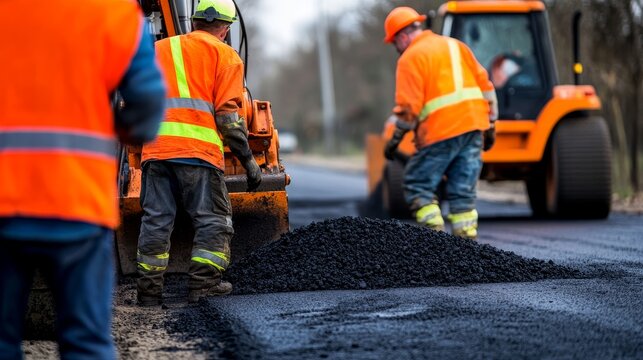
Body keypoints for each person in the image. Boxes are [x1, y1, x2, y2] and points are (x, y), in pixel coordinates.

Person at [0, 0, 165, 358]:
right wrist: (124, 130)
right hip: (77, 200)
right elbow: (149, 103)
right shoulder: (112, 13)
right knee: (86, 341)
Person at [136, 0, 262, 306]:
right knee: (213, 221)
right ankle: (203, 286)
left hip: (155, 150)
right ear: (226, 28)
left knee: (156, 221)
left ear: (194, 21)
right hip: (198, 153)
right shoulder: (226, 55)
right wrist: (247, 159)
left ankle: (149, 292)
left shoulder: (158, 49)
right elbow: (229, 118)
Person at [382, 7, 498, 239]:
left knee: (418, 183)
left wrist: (394, 140)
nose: (397, 49)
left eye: (395, 43)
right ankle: (466, 244)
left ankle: (435, 239)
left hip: (441, 130)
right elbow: (486, 87)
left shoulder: (410, 58)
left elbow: (408, 109)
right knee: (463, 191)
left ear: (402, 37)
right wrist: (492, 123)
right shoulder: (456, 46)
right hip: (474, 126)